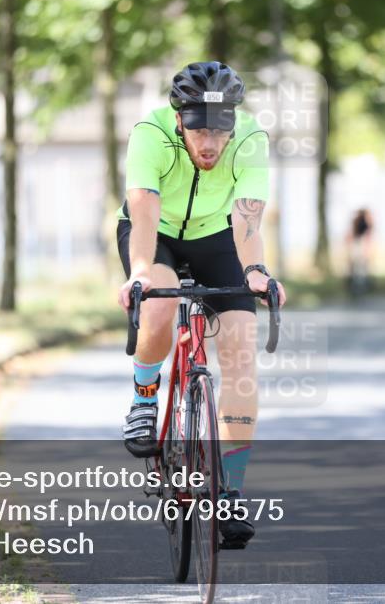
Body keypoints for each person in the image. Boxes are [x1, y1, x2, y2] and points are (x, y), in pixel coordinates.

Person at [115, 61, 286, 548]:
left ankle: (230, 489)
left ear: (234, 121)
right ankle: (145, 398)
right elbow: (144, 206)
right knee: (161, 306)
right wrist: (141, 270)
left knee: (239, 352)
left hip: (217, 238)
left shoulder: (251, 138)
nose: (209, 143)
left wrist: (255, 271)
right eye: (198, 130)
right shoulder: (149, 133)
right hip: (157, 236)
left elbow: (247, 216)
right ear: (179, 119)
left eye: (219, 131)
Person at [345, 208, 374, 295]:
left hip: (358, 245)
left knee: (359, 267)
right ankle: (358, 286)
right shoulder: (362, 222)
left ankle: (359, 286)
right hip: (359, 245)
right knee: (359, 267)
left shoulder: (360, 222)